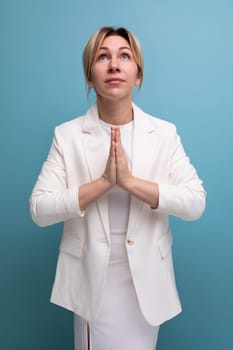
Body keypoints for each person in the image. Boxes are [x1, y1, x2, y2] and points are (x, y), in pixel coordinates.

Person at [30, 26, 206, 350]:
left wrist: (129, 182)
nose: (114, 64)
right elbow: (40, 210)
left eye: (124, 56)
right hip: (92, 284)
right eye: (103, 56)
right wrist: (102, 184)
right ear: (89, 76)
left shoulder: (164, 134)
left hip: (146, 287)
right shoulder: (66, 136)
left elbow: (195, 203)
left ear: (138, 75)